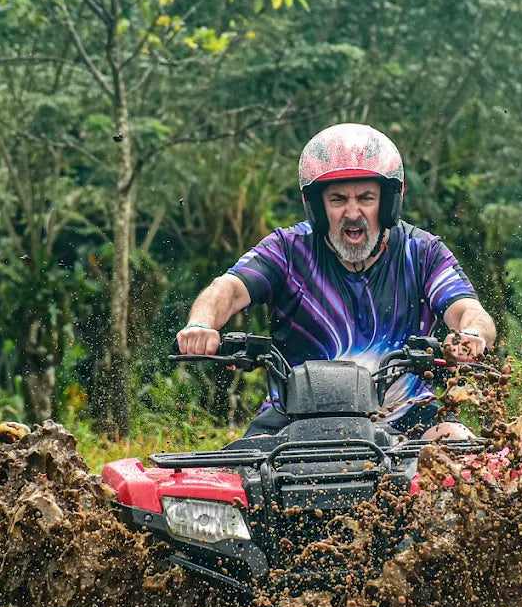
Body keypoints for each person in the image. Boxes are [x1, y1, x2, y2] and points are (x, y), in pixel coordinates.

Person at [175, 123, 497, 440]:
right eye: (338, 199)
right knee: (243, 473)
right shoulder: (287, 250)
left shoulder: (423, 252)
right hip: (293, 418)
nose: (353, 213)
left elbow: (467, 309)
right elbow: (228, 289)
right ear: (316, 206)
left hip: (410, 415)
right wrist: (200, 326)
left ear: (388, 203)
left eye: (366, 198)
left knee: (459, 445)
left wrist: (471, 335)